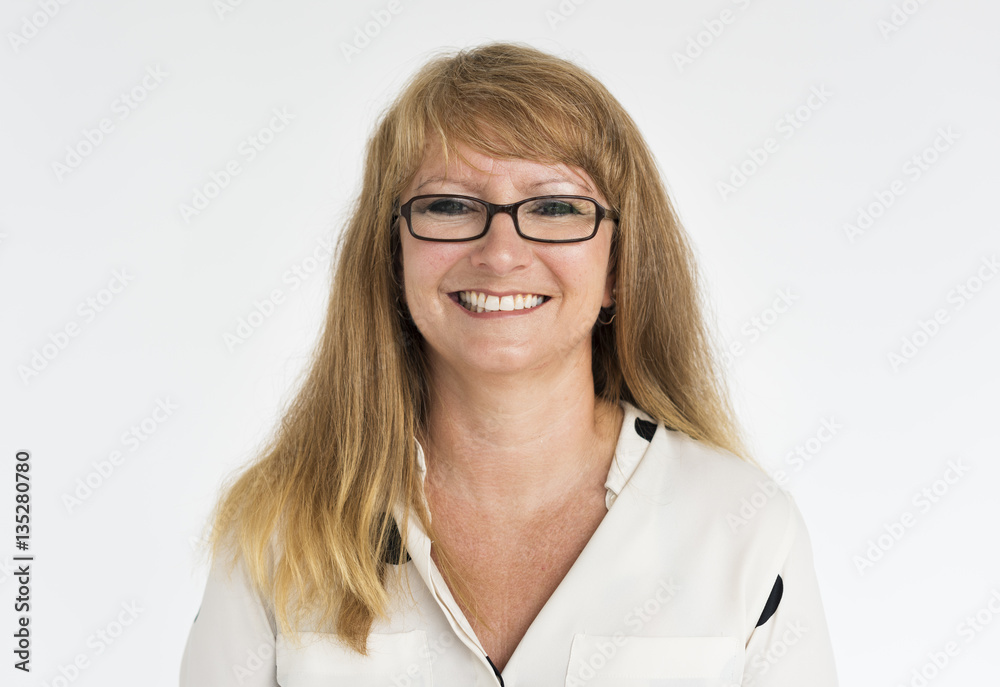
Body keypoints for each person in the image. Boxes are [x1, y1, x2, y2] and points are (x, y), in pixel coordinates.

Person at [179, 41, 838, 686]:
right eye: (449, 205)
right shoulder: (277, 532)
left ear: (619, 263)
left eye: (555, 206)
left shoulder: (743, 527)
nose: (500, 252)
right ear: (391, 255)